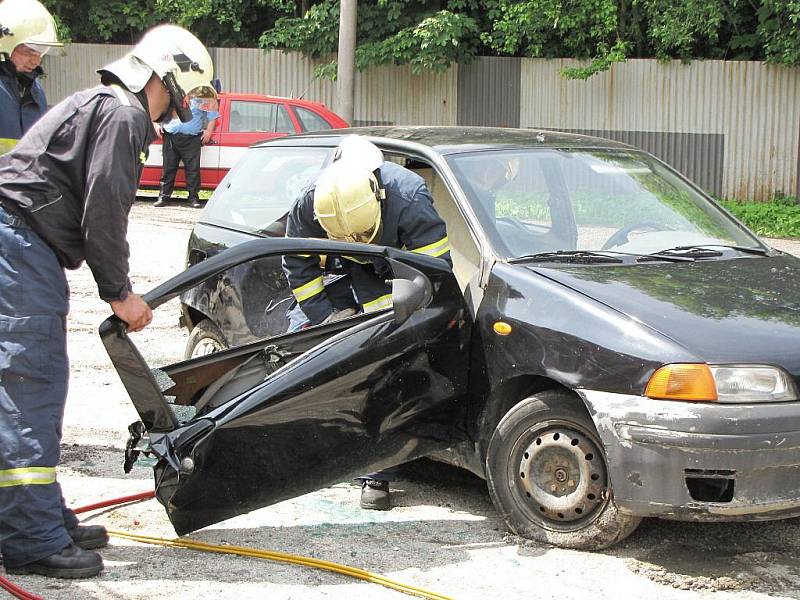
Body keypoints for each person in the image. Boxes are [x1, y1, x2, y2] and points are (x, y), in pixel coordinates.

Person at [0, 24, 216, 579]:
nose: (181, 109)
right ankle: (30, 538)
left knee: (34, 387)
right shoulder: (123, 116)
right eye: (184, 94)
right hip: (19, 246)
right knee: (30, 387)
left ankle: (40, 516)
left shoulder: (104, 104)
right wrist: (120, 293)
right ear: (165, 78)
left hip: (24, 245)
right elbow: (106, 208)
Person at [282, 135, 451, 510]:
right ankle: (303, 451)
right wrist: (326, 318)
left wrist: (406, 322)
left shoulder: (409, 197)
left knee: (391, 369)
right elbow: (300, 266)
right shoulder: (312, 203)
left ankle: (378, 473)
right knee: (297, 348)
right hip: (342, 279)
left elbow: (434, 273)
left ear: (378, 196)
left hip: (396, 281)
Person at [0, 0, 61, 151]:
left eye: (41, 52)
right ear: (4, 45)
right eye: (29, 51)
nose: (36, 60)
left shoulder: (35, 90)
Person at [154, 90, 220, 208]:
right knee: (168, 168)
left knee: (193, 169)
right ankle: (163, 197)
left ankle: (193, 198)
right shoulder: (170, 93)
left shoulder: (202, 95)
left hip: (192, 138)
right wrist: (157, 125)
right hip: (170, 136)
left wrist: (209, 131)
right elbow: (157, 110)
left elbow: (212, 115)